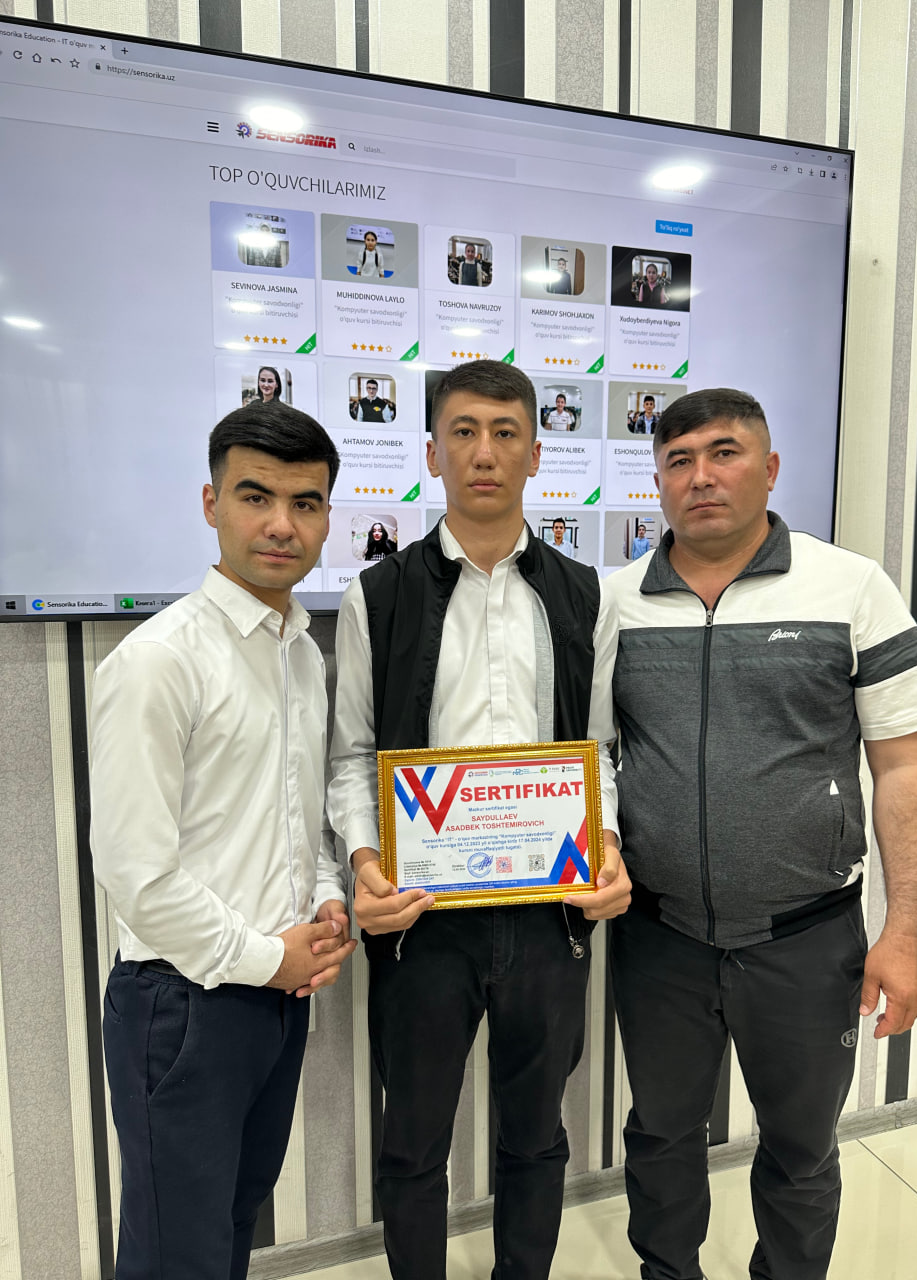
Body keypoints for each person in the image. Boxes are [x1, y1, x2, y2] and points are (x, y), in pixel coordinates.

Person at [606, 388, 917, 1280]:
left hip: (807, 938)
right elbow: (591, 759)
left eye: (724, 453)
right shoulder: (615, 604)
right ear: (658, 482)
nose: (701, 476)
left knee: (801, 1149)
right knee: (660, 1134)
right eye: (679, 460)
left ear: (768, 469)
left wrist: (905, 933)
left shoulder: (850, 587)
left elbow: (907, 769)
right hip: (659, 937)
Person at [328, 359, 631, 1280]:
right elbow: (352, 757)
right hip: (423, 918)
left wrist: (605, 842)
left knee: (536, 1136)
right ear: (433, 452)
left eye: (505, 433)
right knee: (414, 1141)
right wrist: (367, 860)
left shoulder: (584, 594)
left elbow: (598, 751)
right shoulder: (377, 595)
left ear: (536, 454)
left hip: (549, 915)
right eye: (463, 432)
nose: (484, 452)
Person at [90, 400, 357, 1280]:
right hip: (183, 1003)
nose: (282, 525)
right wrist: (266, 958)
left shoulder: (301, 652)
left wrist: (326, 897)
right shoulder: (157, 660)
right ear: (211, 504)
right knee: (178, 1253)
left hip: (276, 998)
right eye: (255, 496)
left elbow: (298, 815)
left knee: (233, 1225)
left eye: (305, 503)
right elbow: (134, 872)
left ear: (327, 517)